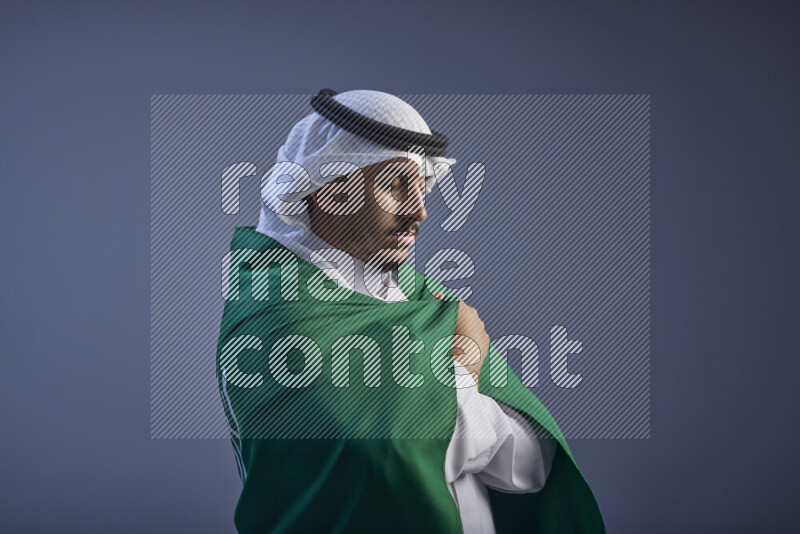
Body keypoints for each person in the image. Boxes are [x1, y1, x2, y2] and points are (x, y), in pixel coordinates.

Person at [216, 89, 605, 533]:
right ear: (328, 192)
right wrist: (467, 365)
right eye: (394, 184)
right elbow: (385, 456)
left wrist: (449, 398)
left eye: (421, 185)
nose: (419, 211)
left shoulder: (422, 298)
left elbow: (533, 462)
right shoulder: (277, 314)